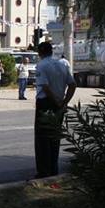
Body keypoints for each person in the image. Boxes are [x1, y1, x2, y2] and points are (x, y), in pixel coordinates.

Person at [34, 42, 76, 178]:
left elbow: (45, 87)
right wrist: (64, 102)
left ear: (40, 52)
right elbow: (72, 85)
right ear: (51, 51)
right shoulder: (62, 64)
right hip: (59, 103)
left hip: (46, 103)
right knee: (54, 138)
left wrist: (56, 101)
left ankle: (43, 171)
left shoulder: (42, 65)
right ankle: (53, 168)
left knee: (42, 139)